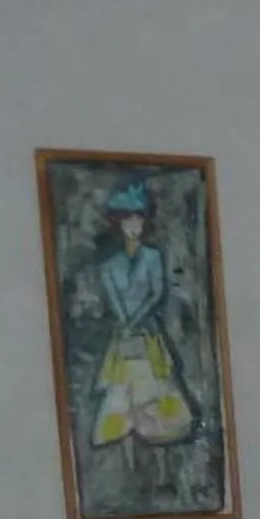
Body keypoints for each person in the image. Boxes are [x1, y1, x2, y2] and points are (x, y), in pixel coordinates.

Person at [88, 181, 197, 463]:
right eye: (128, 220)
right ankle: (130, 461)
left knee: (156, 391)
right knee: (122, 393)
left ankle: (160, 460)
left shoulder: (153, 257)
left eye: (138, 219)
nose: (134, 226)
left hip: (147, 332)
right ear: (119, 224)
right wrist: (125, 323)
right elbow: (114, 299)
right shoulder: (109, 265)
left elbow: (157, 292)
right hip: (124, 336)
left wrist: (135, 320)